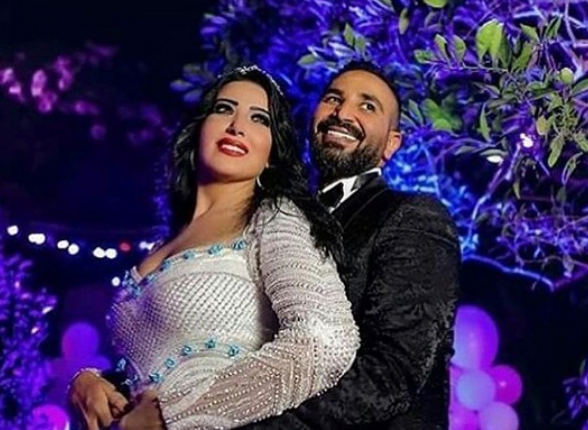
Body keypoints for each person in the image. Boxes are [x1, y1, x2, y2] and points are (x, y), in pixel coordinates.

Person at [67, 65, 360, 430]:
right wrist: (91, 381)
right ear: (199, 129)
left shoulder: (274, 217)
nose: (237, 126)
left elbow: (326, 341)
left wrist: (171, 415)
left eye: (259, 118)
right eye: (224, 109)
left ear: (272, 152)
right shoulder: (164, 241)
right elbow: (158, 364)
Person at [238, 61, 461, 430]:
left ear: (391, 144)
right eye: (333, 99)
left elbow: (392, 374)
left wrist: (248, 425)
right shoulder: (275, 217)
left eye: (367, 106)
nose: (342, 114)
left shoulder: (413, 216)